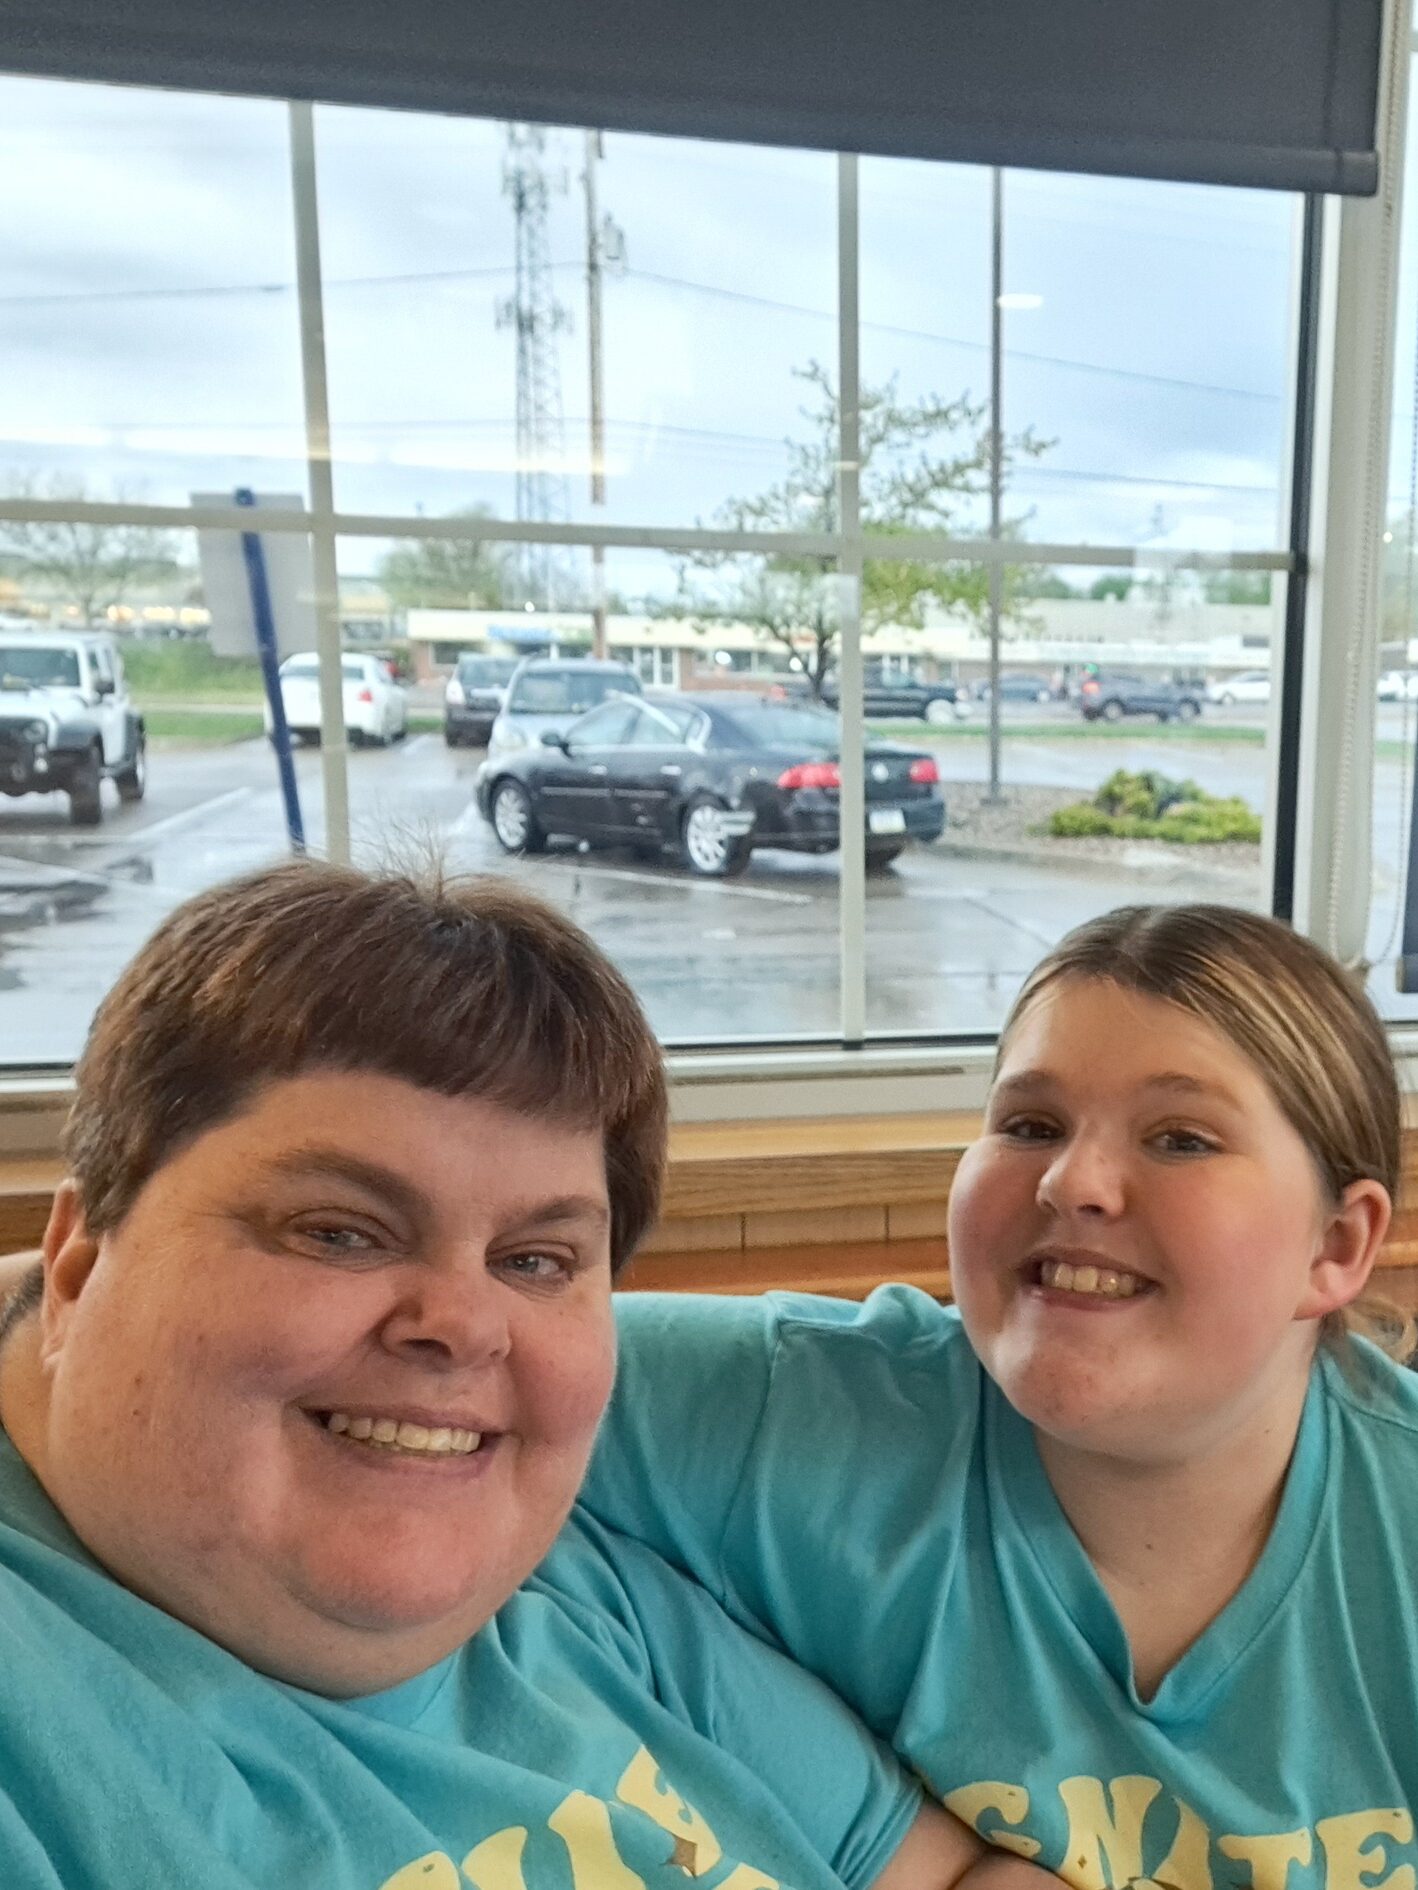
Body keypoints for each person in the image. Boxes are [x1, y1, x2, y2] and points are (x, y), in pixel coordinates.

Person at [0, 860, 1052, 1890]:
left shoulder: (569, 1583)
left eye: (534, 1260)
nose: (462, 1325)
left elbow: (939, 1870)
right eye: (339, 1231)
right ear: (83, 1264)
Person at [585, 904, 1418, 1890]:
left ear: (1334, 1248)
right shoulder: (795, 1408)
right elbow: (481, 1385)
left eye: (1180, 1137)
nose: (1071, 1181)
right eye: (1028, 1124)